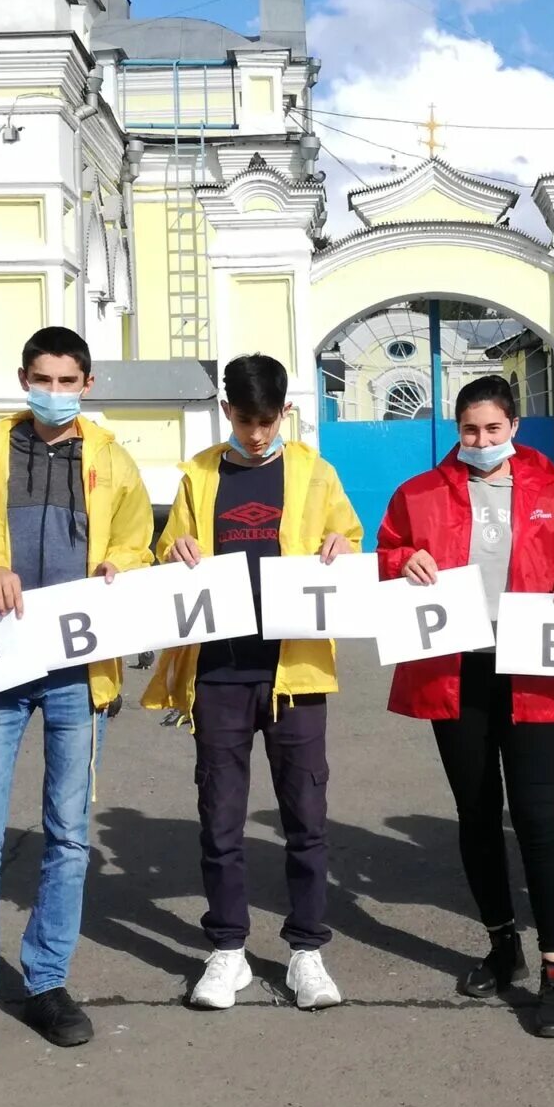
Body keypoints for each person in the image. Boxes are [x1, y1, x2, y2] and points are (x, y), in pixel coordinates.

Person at [0, 326, 155, 1083]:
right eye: (41, 377)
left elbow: (142, 543)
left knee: (69, 834)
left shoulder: (112, 459)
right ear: (24, 378)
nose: (53, 389)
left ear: (87, 385)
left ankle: (46, 981)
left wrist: (125, 563)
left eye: (67, 379)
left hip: (79, 668)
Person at [378, 375, 554, 1038]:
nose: (480, 441)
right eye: (469, 430)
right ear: (457, 430)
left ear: (513, 427)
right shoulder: (418, 494)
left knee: (539, 819)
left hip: (533, 669)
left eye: (492, 429)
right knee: (476, 815)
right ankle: (502, 941)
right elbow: (386, 552)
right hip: (458, 669)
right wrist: (403, 560)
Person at [143, 354, 363, 1012]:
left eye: (268, 420)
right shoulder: (200, 474)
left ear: (285, 413)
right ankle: (229, 950)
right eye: (246, 419)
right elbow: (167, 557)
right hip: (218, 671)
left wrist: (343, 548)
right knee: (221, 818)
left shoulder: (313, 473)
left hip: (294, 670)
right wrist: (172, 550)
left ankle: (306, 951)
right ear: (226, 412)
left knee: (306, 818)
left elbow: (346, 535)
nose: (259, 432)